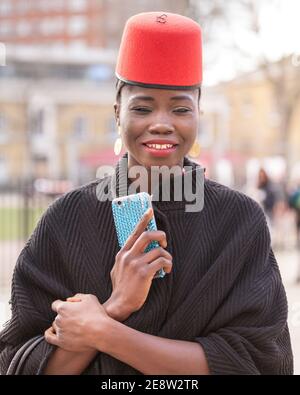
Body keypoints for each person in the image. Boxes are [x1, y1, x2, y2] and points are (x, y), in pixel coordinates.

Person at [0, 12, 293, 375]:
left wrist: (104, 330)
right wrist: (117, 304)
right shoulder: (65, 221)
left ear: (198, 113)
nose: (161, 123)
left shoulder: (239, 222)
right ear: (117, 113)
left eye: (180, 108)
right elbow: (18, 365)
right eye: (142, 107)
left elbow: (259, 361)